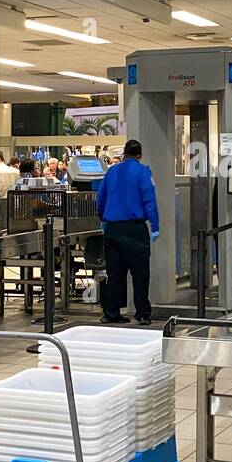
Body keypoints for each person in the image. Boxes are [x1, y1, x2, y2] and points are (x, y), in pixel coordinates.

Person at [96, 139, 158, 325]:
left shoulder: (112, 171)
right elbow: (149, 201)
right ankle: (142, 314)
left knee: (114, 273)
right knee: (140, 274)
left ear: (124, 153)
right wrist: (155, 226)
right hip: (135, 229)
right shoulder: (143, 171)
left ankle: (111, 313)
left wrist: (103, 219)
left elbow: (100, 198)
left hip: (113, 229)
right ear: (139, 155)